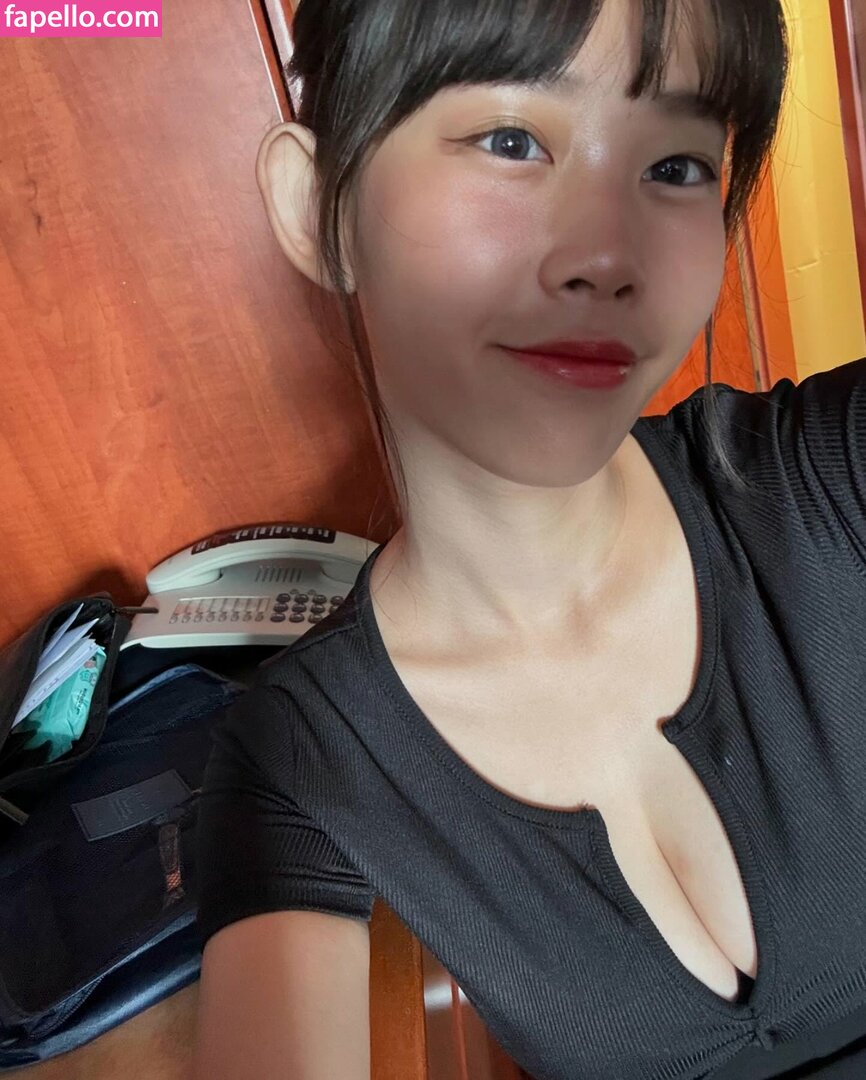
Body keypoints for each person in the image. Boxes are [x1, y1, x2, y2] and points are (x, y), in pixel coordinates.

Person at [191, 0, 866, 1077]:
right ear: (320, 208)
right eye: (511, 141)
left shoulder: (832, 476)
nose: (607, 256)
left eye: (677, 166)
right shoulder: (304, 765)